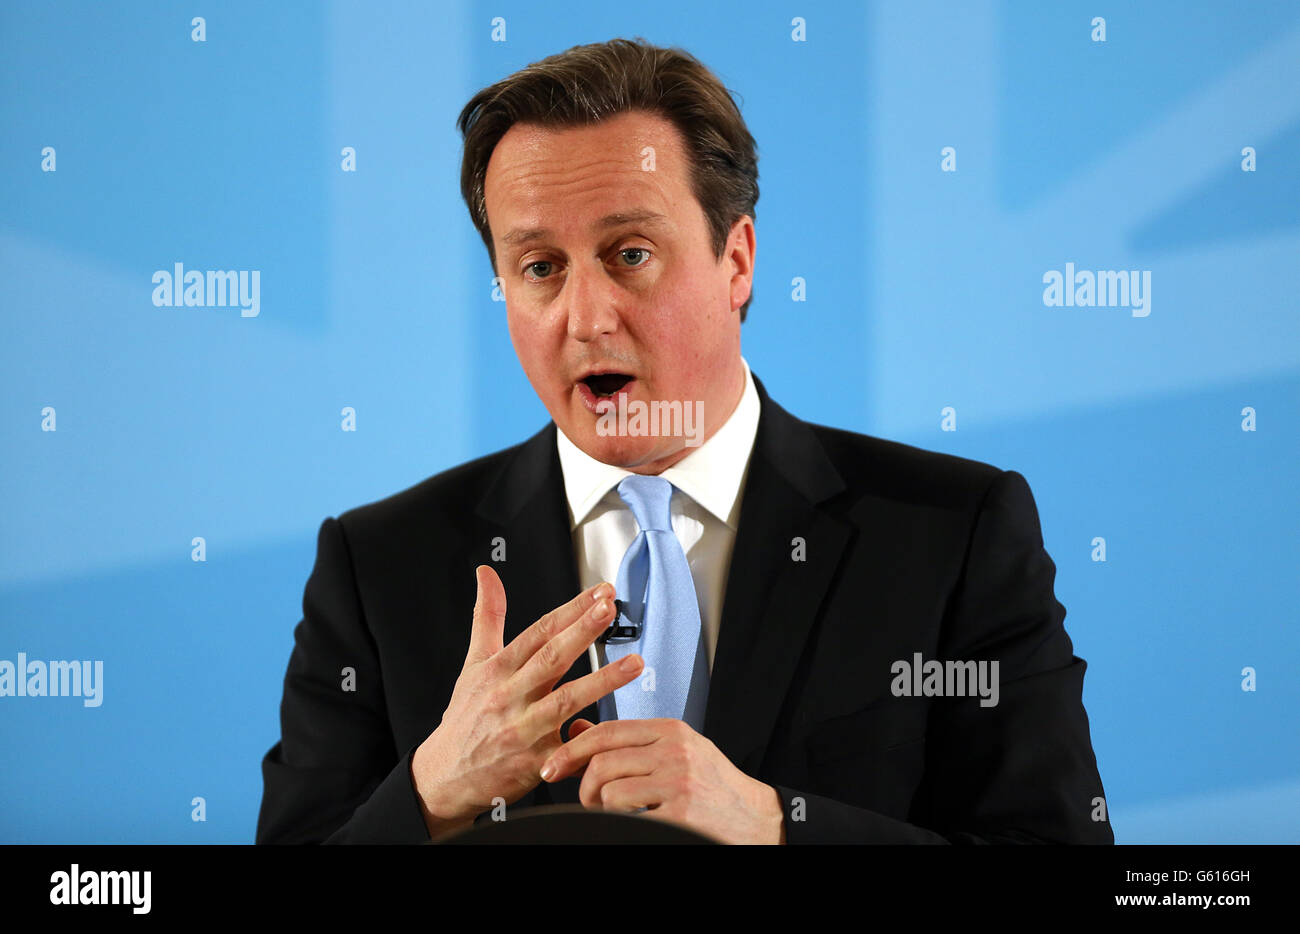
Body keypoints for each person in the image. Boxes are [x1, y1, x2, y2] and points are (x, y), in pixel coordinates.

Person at [256, 37, 1112, 845]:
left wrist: (779, 825)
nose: (586, 319)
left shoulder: (952, 532)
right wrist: (433, 791)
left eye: (629, 253)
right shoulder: (379, 567)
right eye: (541, 268)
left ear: (736, 261)